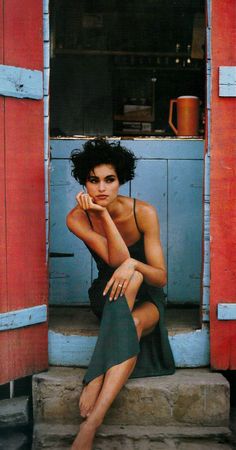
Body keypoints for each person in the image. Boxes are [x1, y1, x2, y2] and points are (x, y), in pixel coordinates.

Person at [66, 139, 175, 450]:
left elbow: (161, 277)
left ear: (121, 180)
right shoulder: (77, 217)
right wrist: (101, 216)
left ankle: (93, 414)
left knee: (138, 278)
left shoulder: (144, 212)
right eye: (93, 179)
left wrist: (133, 265)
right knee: (129, 284)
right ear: (83, 181)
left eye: (109, 179)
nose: (101, 188)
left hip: (148, 297)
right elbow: (116, 262)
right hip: (107, 292)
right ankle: (97, 399)